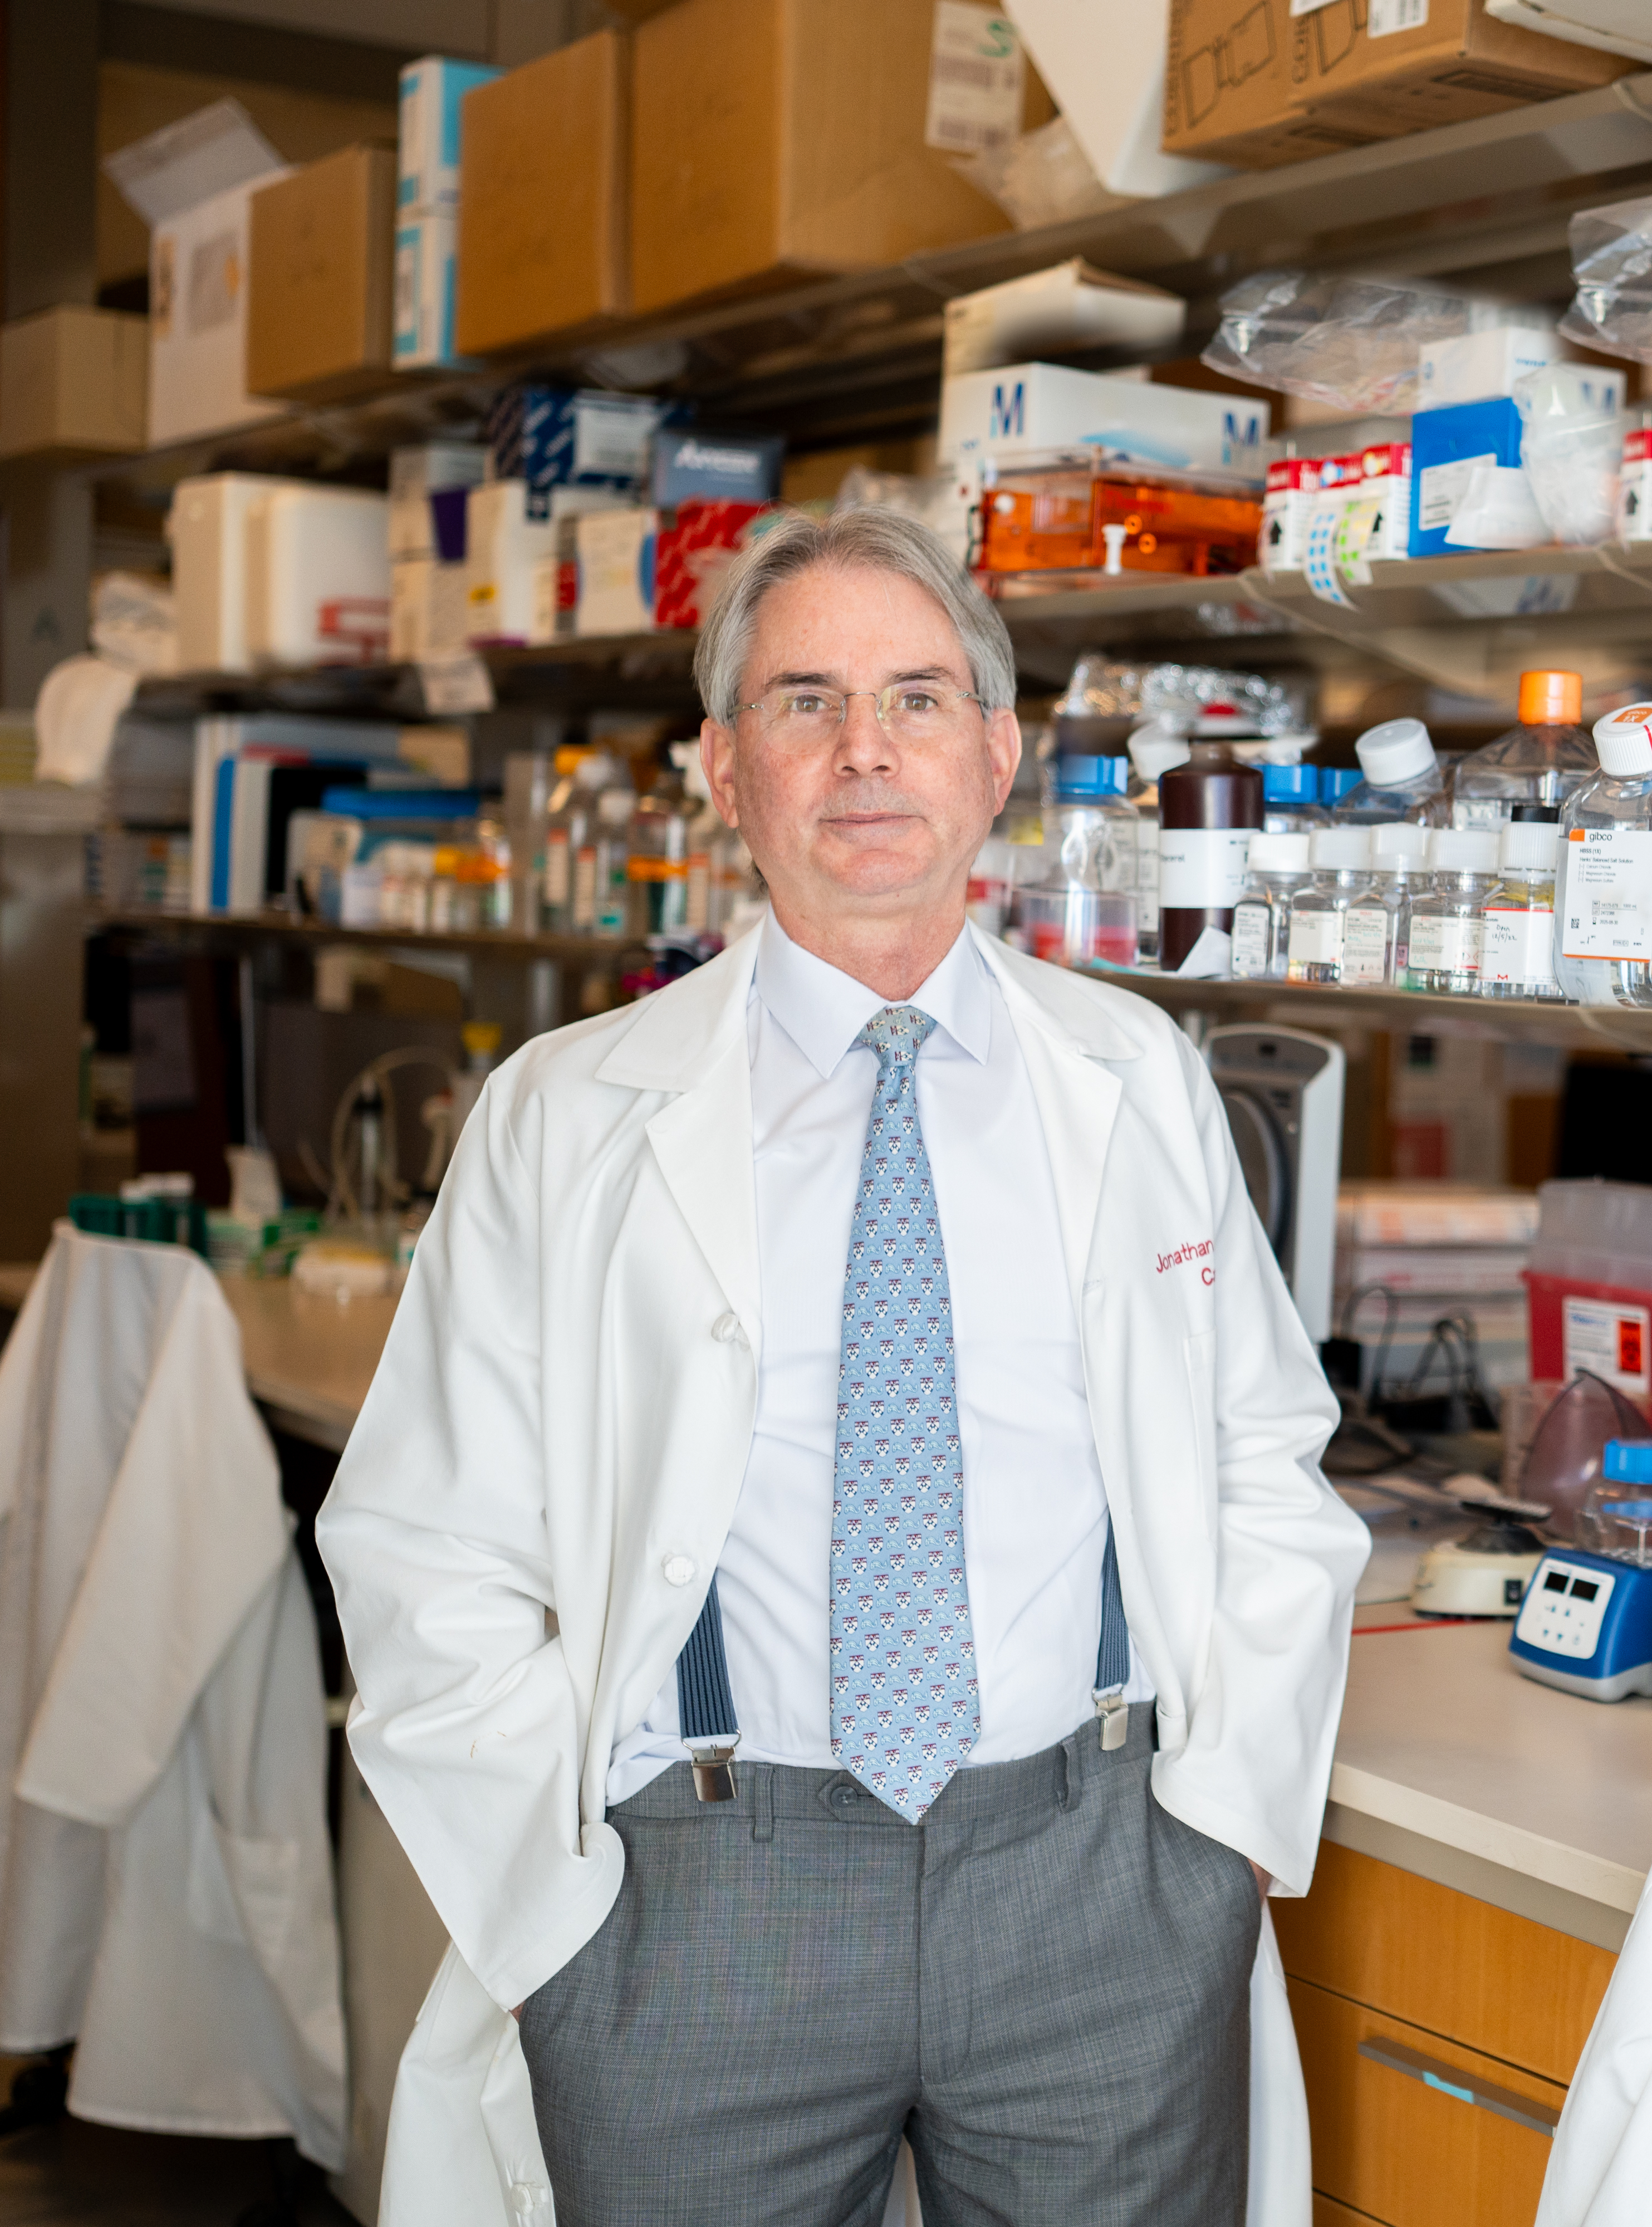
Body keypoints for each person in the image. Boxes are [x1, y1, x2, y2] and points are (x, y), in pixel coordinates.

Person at [318, 505, 1366, 2227]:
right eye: (804, 702)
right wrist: (559, 1923)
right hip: (698, 1897)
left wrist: (1222, 1831)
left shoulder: (1134, 1078)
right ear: (725, 771)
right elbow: (424, 1545)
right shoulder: (566, 1116)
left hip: (1099, 1886)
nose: (866, 750)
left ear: (999, 755)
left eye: (919, 699)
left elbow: (1267, 1458)